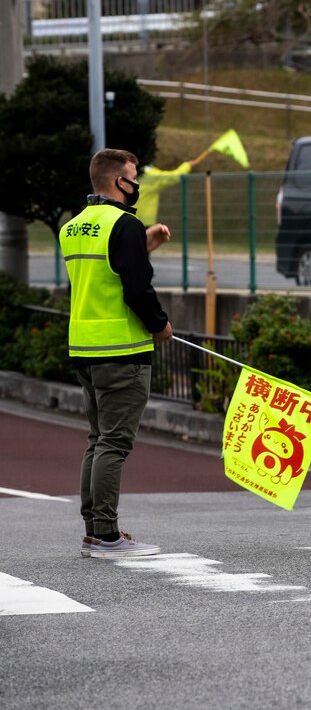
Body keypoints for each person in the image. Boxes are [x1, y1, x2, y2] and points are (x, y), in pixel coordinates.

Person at [59, 148, 174, 558]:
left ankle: (96, 529)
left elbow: (107, 269)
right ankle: (106, 535)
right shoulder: (124, 224)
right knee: (114, 444)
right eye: (134, 176)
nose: (138, 183)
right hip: (123, 350)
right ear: (118, 181)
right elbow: (136, 287)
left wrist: (144, 244)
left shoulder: (74, 226)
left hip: (85, 349)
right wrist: (159, 325)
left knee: (98, 440)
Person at [135, 160, 195, 227]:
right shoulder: (150, 174)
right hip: (145, 221)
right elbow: (174, 177)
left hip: (126, 219)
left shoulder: (126, 171)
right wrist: (187, 166)